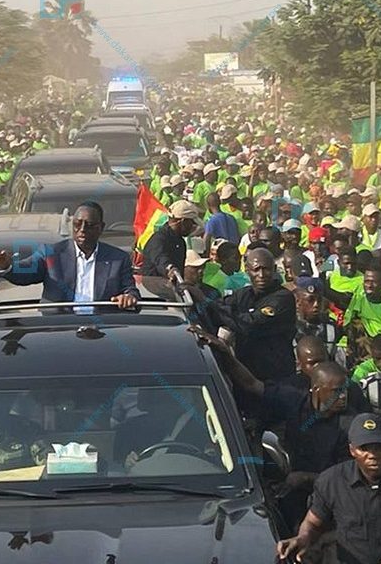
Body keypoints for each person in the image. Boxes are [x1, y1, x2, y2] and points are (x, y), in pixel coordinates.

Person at [197, 326, 369, 532]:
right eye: (336, 392)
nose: (342, 397)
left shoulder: (352, 425)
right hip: (296, 499)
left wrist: (304, 477)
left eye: (344, 391)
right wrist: (225, 353)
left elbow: (352, 475)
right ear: (315, 389)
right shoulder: (294, 398)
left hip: (336, 503)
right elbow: (252, 384)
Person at [276, 412, 381, 564]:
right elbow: (313, 523)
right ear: (352, 450)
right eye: (364, 448)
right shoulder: (331, 482)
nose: (372, 455)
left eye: (378, 447)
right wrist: (302, 539)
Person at [0, 201, 140, 310]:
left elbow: (130, 290)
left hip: (103, 331)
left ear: (101, 227)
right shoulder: (51, 253)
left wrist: (128, 297)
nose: (82, 229)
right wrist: (7, 266)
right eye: (77, 224)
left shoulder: (119, 258)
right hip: (59, 328)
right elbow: (24, 272)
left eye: (89, 225)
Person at [208, 247, 297, 381]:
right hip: (245, 374)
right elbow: (216, 309)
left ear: (274, 269)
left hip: (276, 377)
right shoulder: (243, 294)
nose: (261, 275)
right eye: (256, 269)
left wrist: (216, 308)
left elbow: (249, 324)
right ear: (247, 270)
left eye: (266, 269)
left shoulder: (283, 298)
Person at [140, 200, 201, 280]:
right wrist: (170, 269)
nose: (193, 227)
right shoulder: (158, 239)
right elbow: (160, 259)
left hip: (172, 289)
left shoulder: (180, 242)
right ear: (183, 221)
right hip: (153, 289)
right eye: (192, 223)